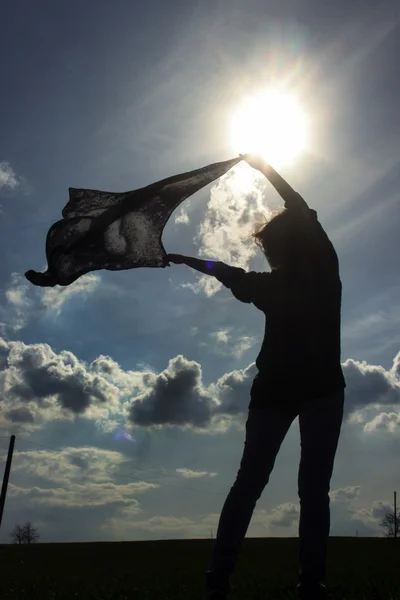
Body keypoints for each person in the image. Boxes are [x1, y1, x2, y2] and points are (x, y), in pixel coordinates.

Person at [165, 154, 346, 600]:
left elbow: (293, 212)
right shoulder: (309, 276)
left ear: (288, 244)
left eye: (271, 247)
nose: (268, 252)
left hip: (304, 393)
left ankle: (230, 579)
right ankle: (298, 580)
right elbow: (231, 274)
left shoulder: (314, 270)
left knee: (264, 485)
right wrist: (190, 260)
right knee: (293, 488)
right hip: (298, 393)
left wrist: (266, 170)